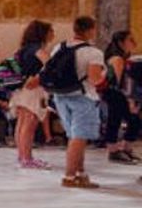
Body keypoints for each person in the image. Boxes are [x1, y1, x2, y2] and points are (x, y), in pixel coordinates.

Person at [46, 16, 108, 189]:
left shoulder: (60, 46)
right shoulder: (93, 52)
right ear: (90, 30)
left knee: (75, 136)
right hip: (83, 97)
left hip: (60, 96)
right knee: (79, 138)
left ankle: (80, 174)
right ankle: (69, 176)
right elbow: (95, 79)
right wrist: (105, 74)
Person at [2, 20, 55, 170]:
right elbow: (50, 65)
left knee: (22, 123)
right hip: (32, 90)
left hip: (20, 89)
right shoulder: (37, 49)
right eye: (51, 31)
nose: (53, 34)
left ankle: (22, 157)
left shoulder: (23, 49)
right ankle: (27, 158)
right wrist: (41, 77)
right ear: (43, 33)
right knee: (29, 124)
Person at [101, 29, 139, 163]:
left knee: (129, 119)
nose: (134, 42)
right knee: (117, 120)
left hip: (116, 93)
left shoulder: (122, 57)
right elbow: (119, 82)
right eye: (130, 40)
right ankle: (114, 150)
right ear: (121, 42)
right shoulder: (117, 59)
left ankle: (124, 149)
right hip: (115, 94)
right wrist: (130, 100)